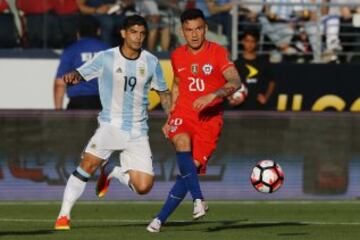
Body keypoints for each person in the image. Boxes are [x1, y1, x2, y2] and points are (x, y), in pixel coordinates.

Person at [54, 14, 171, 230]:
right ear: (124, 33)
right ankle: (63, 216)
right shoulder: (106, 57)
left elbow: (164, 92)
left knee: (144, 187)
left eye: (142, 33)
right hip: (111, 125)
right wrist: (73, 76)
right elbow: (82, 73)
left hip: (138, 130)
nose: (138, 37)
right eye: (134, 32)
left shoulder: (151, 61)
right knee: (87, 164)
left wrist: (171, 117)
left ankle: (111, 171)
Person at [146, 8, 246, 233]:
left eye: (198, 29)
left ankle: (160, 219)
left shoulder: (219, 53)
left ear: (205, 29)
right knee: (181, 142)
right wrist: (170, 116)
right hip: (184, 114)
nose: (194, 34)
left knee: (190, 170)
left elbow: (235, 81)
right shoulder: (177, 55)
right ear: (182, 32)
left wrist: (214, 94)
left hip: (210, 120)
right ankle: (199, 199)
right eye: (189, 30)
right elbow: (178, 85)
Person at [54, 15, 109, 110]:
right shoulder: (107, 50)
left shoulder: (71, 50)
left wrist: (58, 111)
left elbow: (60, 84)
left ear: (78, 33)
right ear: (98, 31)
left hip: (77, 105)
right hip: (102, 106)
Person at [234, 31, 275, 110]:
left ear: (256, 43)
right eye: (247, 41)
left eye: (252, 41)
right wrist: (232, 98)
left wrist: (266, 97)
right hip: (240, 106)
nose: (249, 44)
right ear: (243, 42)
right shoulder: (237, 63)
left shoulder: (263, 62)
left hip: (258, 106)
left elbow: (272, 82)